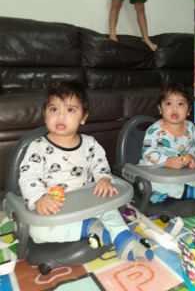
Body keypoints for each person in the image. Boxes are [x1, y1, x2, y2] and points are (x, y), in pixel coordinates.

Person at [18, 81, 153, 262]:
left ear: (83, 117)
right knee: (36, 231)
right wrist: (40, 198)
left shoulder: (90, 144)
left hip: (87, 200)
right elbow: (28, 176)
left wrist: (104, 179)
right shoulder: (38, 147)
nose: (61, 116)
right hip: (55, 205)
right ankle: (90, 227)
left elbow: (100, 165)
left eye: (70, 110)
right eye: (54, 109)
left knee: (109, 207)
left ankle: (123, 239)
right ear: (45, 115)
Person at [140, 82, 195, 205]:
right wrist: (166, 161)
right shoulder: (154, 130)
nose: (174, 108)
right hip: (156, 168)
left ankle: (166, 193)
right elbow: (147, 151)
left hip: (180, 170)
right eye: (168, 104)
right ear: (160, 109)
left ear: (188, 110)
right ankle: (189, 192)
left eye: (181, 104)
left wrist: (191, 156)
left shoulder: (190, 127)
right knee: (149, 181)